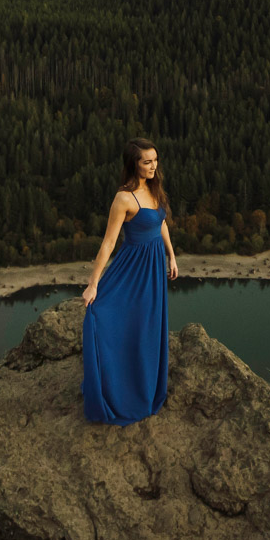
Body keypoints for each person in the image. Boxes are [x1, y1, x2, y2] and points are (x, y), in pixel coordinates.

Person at [79, 137, 178, 425]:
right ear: (133, 164)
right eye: (147, 162)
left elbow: (161, 223)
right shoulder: (124, 198)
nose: (153, 166)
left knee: (147, 329)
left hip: (154, 268)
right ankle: (116, 391)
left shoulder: (155, 188)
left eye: (155, 160)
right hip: (131, 268)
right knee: (102, 315)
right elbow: (108, 243)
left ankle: (146, 387)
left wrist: (172, 256)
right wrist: (93, 283)